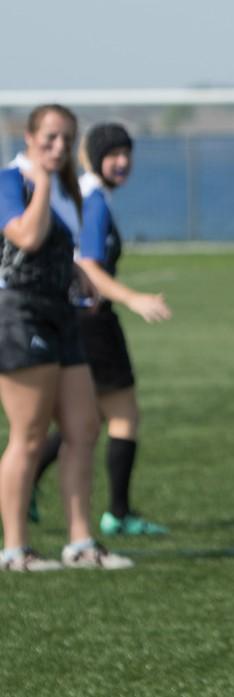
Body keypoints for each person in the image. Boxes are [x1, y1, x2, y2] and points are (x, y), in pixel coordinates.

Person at [0, 104, 132, 571]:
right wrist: (41, 181)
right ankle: (15, 550)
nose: (58, 147)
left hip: (62, 315)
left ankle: (80, 544)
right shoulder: (11, 180)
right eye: (49, 138)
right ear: (30, 137)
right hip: (19, 315)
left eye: (65, 139)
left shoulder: (69, 188)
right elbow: (27, 237)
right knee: (30, 435)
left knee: (84, 428)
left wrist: (85, 285)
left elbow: (66, 253)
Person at [32, 123, 171, 536]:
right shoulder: (92, 199)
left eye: (127, 153)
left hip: (78, 320)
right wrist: (133, 298)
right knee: (123, 415)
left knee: (86, 417)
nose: (122, 161)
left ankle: (24, 487)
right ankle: (118, 513)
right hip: (92, 321)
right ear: (93, 157)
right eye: (113, 153)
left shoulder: (88, 195)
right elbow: (88, 265)